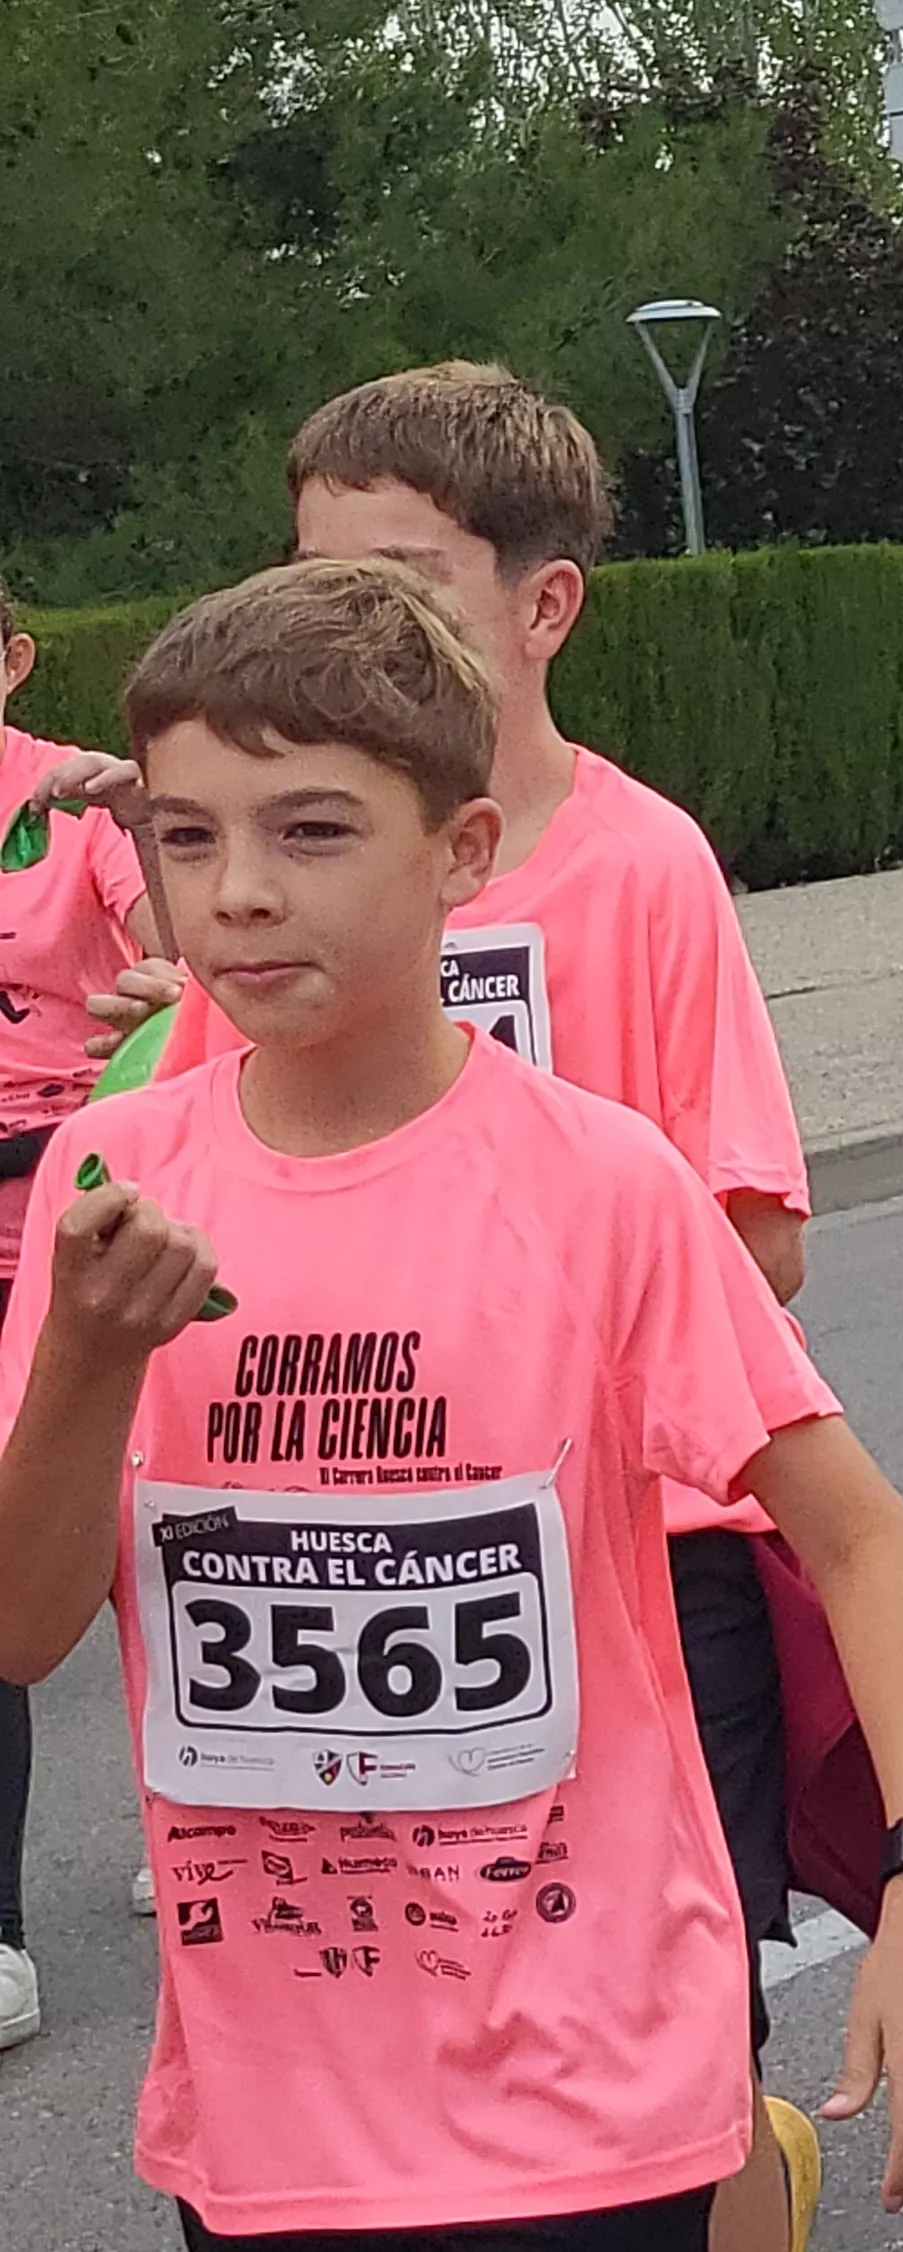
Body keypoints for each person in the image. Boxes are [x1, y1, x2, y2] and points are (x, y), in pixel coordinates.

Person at [0, 557, 903, 2250]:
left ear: (461, 853)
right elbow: (23, 1633)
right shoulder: (119, 1176)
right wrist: (90, 1359)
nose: (235, 892)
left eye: (310, 830)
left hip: (590, 2089)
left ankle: (744, 2170)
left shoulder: (599, 1180)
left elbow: (865, 1535)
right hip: (270, 2112)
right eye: (185, 834)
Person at [124, 364, 836, 2252]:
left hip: (638, 1529)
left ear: (541, 607)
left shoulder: (641, 862)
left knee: (693, 2005)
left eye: (407, 585)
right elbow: (225, 1185)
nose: (353, 624)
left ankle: (723, 2173)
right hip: (341, 1523)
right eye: (315, 574)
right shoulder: (263, 886)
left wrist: (538, 1274)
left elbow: (751, 1230)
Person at [0, 572, 179, 2056]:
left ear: (13, 661)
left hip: (71, 1203)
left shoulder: (67, 802)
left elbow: (175, 969)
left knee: (130, 1528)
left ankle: (193, 1802)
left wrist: (133, 825)